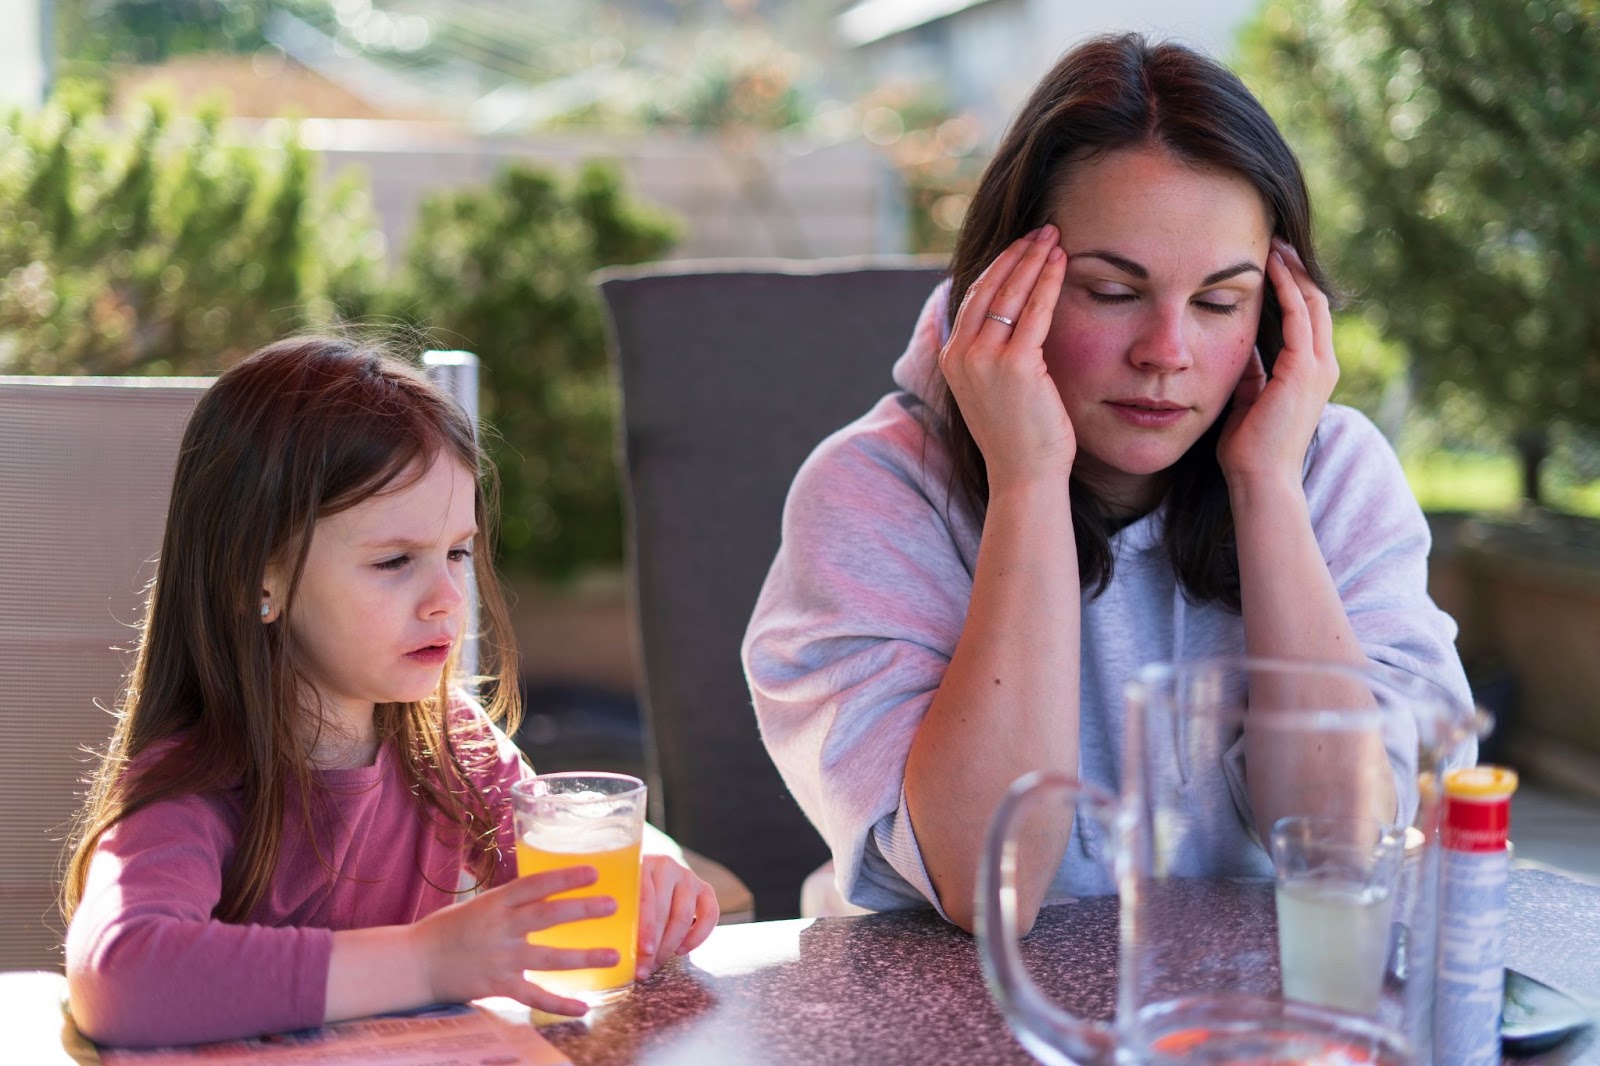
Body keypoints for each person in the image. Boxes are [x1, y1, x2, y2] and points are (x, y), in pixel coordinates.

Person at [742, 33, 1473, 933]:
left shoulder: (1336, 476)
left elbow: (1344, 847)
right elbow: (989, 885)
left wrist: (1269, 490)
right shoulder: (875, 493)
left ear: (1279, 311)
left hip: (1230, 1020)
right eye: (1113, 291)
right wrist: (1026, 483)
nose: (1167, 354)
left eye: (1218, 302)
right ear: (1006, 286)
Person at [63, 337, 718, 1047]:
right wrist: (429, 961)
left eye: (457, 552)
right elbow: (119, 980)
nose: (446, 598)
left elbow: (565, 870)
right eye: (395, 560)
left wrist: (657, 873)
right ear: (261, 579)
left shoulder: (450, 744)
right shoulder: (196, 782)